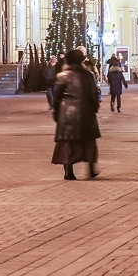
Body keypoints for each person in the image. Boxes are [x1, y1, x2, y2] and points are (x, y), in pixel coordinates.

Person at [51, 49, 101, 179]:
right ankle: (91, 169)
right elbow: (94, 95)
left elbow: (56, 97)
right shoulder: (88, 75)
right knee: (89, 142)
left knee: (68, 143)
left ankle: (69, 171)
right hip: (86, 112)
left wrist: (56, 112)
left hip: (67, 113)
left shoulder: (62, 76)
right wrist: (94, 109)